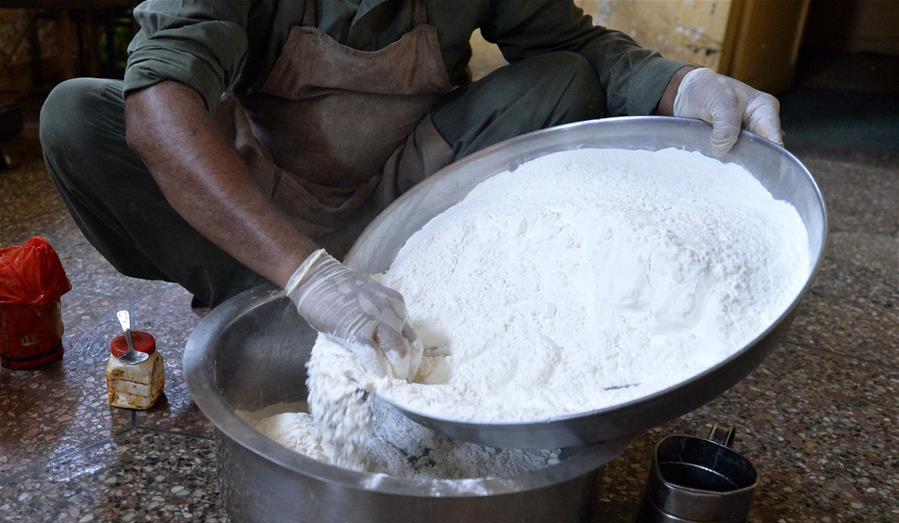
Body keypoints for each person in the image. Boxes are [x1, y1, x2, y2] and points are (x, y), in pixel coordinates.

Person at [40, 0, 781, 381]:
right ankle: (261, 303)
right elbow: (158, 104)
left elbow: (571, 46)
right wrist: (307, 272)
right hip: (263, 195)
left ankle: (453, 287)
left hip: (416, 191)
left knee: (566, 82)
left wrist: (682, 83)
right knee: (78, 114)